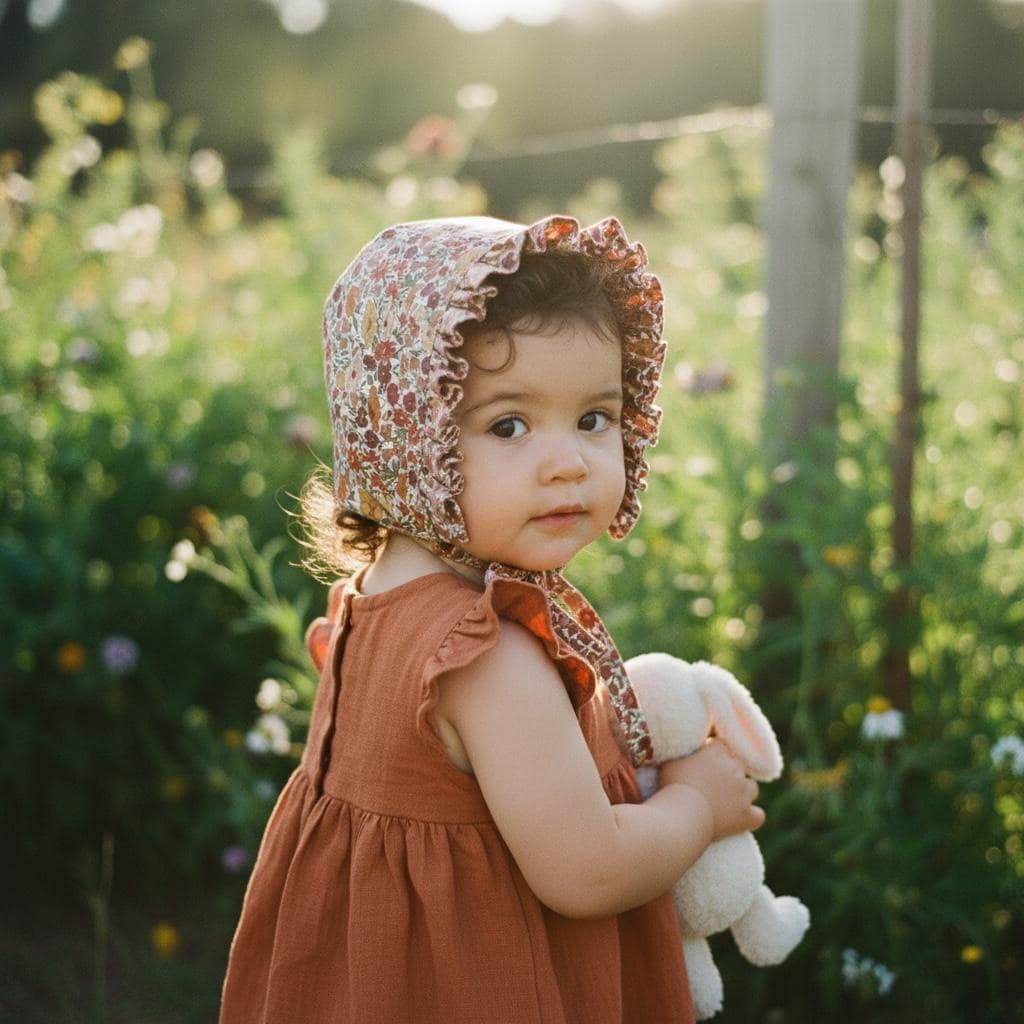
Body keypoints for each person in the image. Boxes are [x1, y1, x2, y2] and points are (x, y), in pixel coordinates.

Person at [219, 215, 764, 1024]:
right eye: (508, 424)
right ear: (410, 442)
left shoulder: (373, 598)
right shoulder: (485, 656)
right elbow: (588, 873)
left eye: (596, 418)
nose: (569, 460)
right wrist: (697, 808)